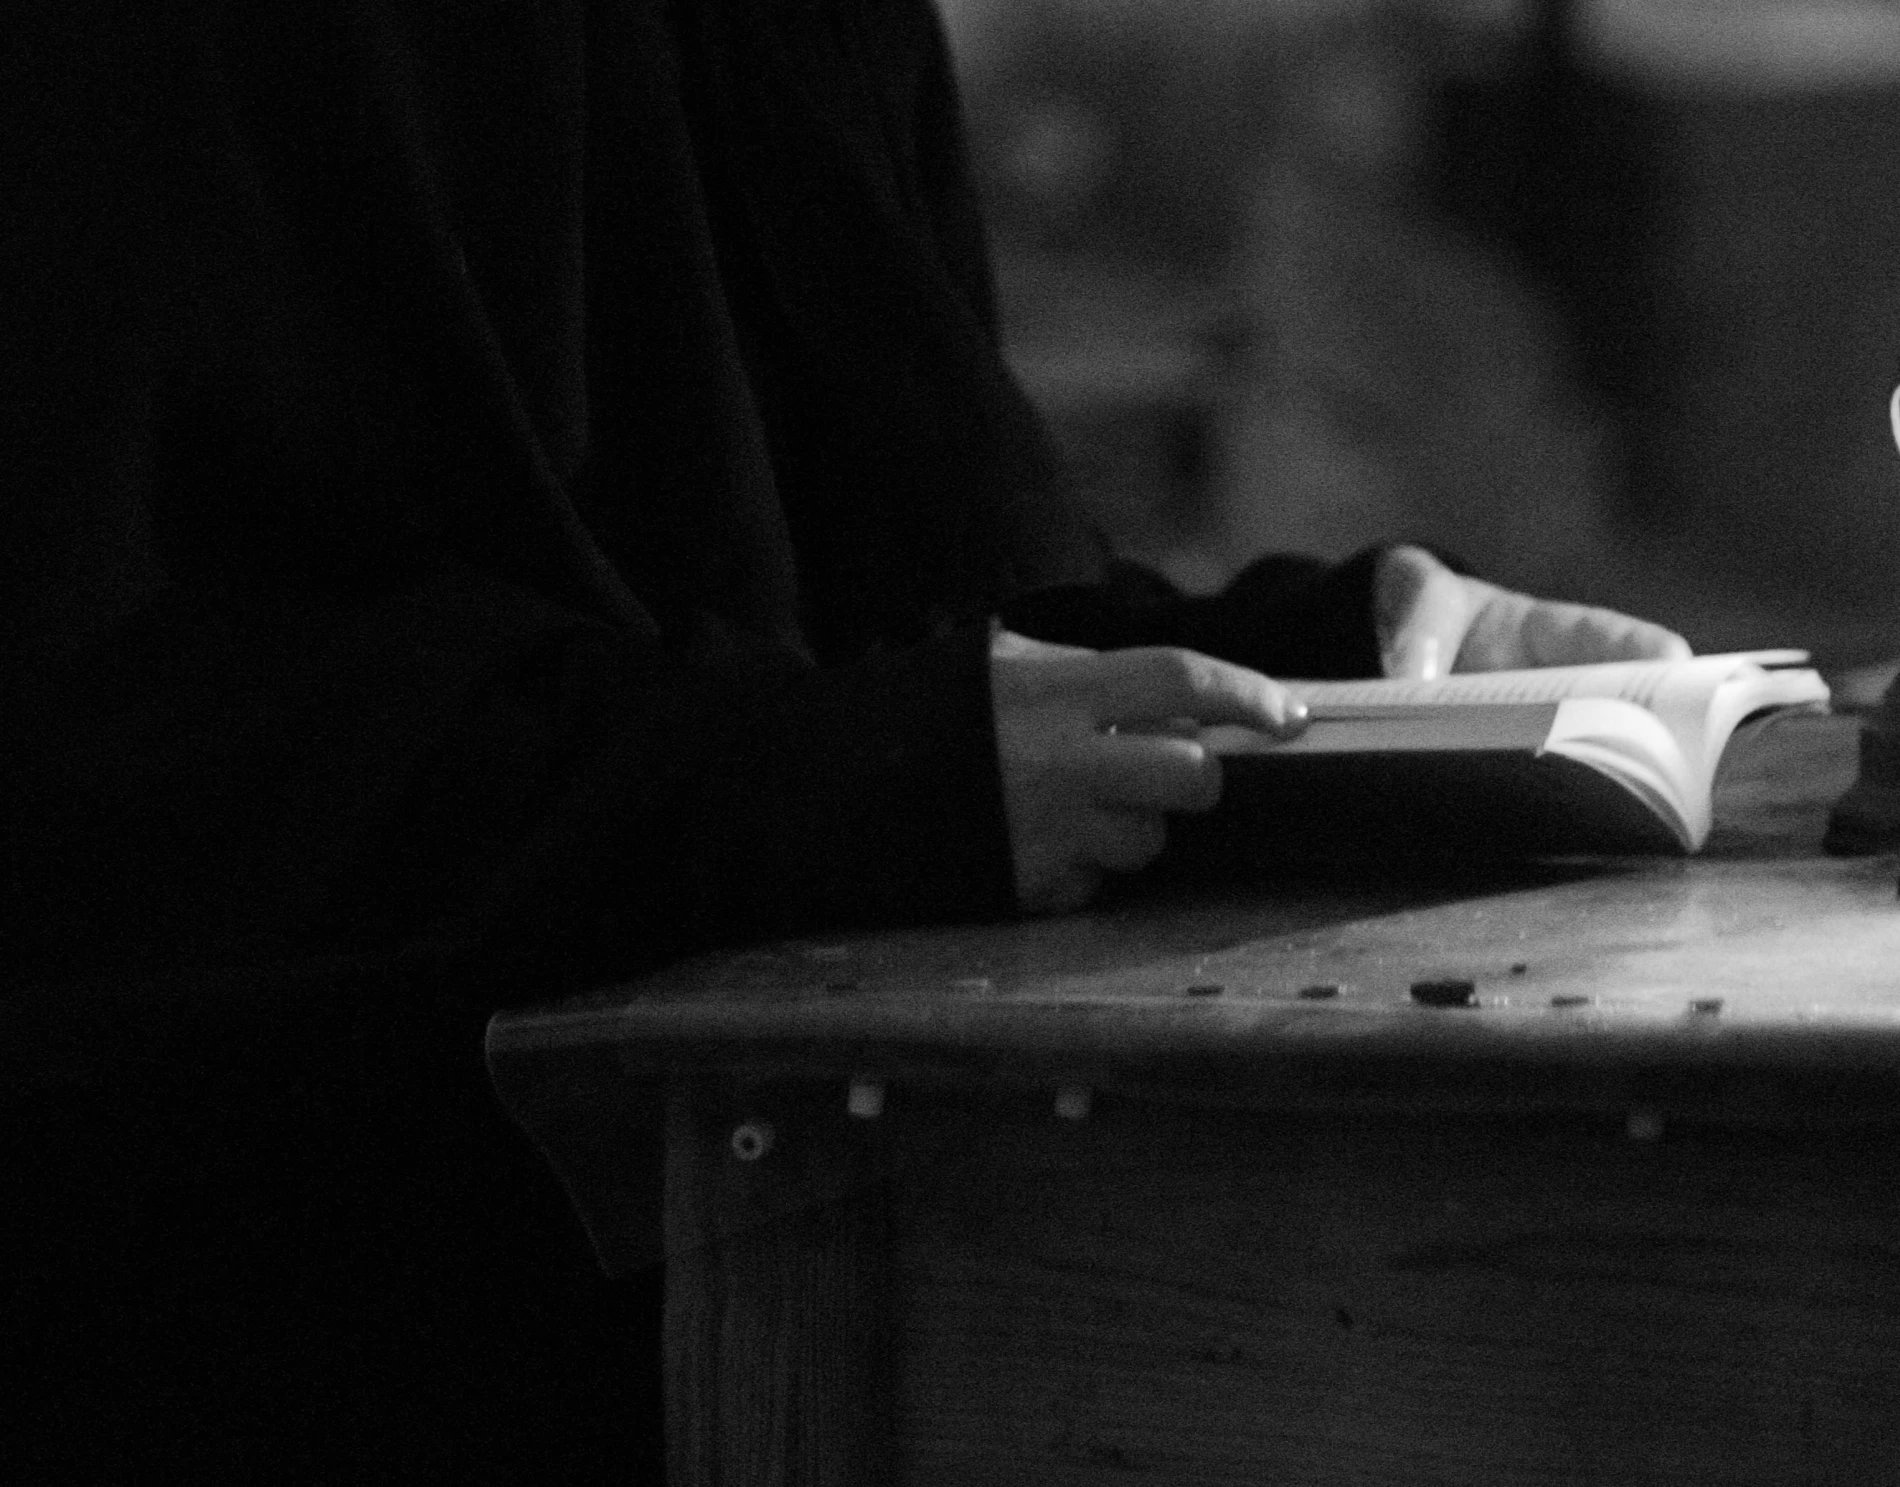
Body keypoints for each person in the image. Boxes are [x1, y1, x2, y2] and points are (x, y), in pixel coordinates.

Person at [3, 0, 1684, 1478]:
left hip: (746, 1248)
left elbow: (875, 612)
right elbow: (119, 751)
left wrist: (1352, 653)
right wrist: (888, 775)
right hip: (293, 1290)